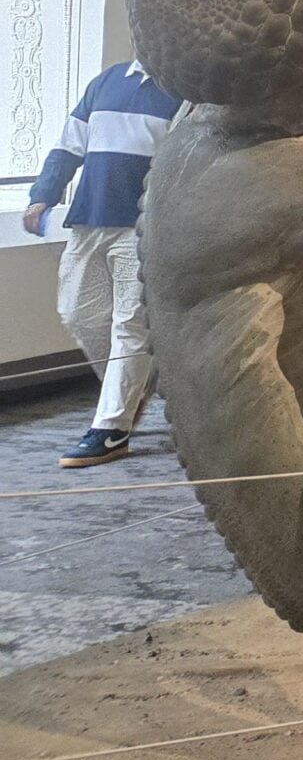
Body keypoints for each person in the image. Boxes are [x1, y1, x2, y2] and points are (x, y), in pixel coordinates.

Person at [22, 60, 181, 467]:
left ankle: (111, 428)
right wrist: (44, 194)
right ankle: (136, 384)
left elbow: (184, 165)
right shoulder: (107, 81)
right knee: (77, 313)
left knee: (129, 324)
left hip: (143, 226)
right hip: (88, 218)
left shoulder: (184, 88)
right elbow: (69, 145)